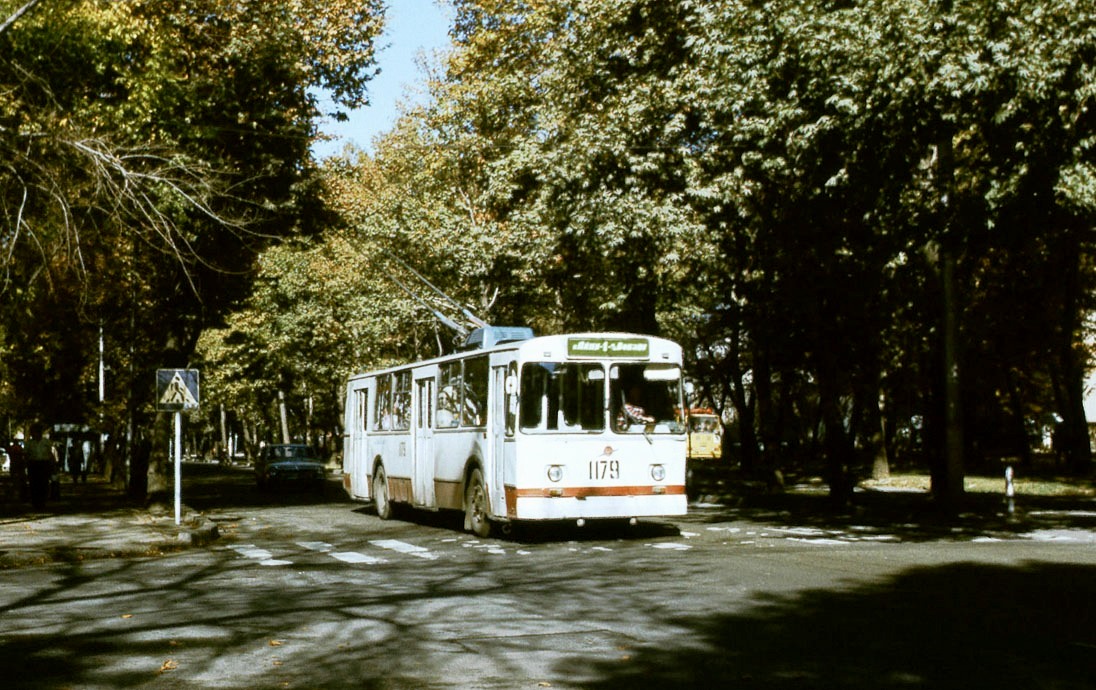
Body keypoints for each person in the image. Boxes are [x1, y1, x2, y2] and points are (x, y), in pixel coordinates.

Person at [25, 423, 58, 510]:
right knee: (34, 484)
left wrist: (53, 465)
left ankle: (42, 501)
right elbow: (26, 455)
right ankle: (35, 502)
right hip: (33, 465)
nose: (36, 433)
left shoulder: (46, 442)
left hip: (44, 464)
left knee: (44, 483)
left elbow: (51, 454)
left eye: (37, 432)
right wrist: (26, 465)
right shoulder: (29, 443)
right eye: (34, 432)